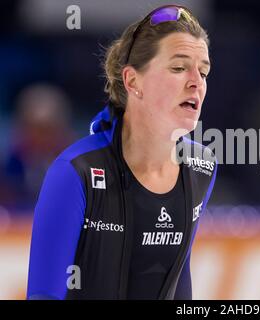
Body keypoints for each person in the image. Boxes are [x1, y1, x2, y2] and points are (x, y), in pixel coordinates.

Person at [27, 5, 217, 300]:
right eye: (179, 68)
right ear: (132, 81)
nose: (196, 82)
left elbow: (179, 278)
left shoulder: (201, 167)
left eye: (203, 71)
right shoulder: (76, 172)